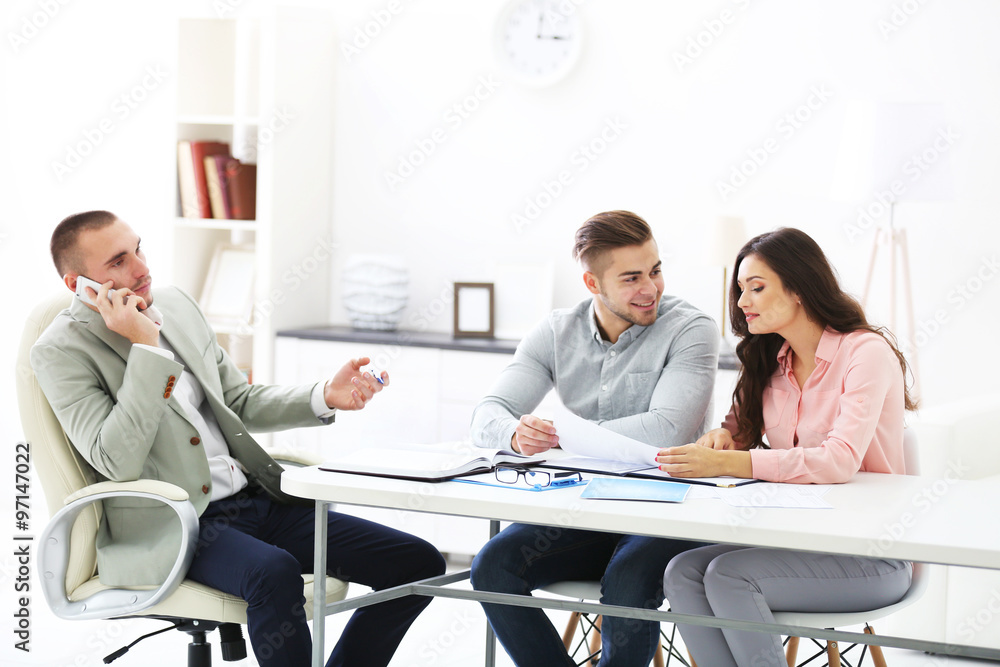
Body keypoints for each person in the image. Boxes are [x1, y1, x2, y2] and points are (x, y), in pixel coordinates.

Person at [31, 211, 446, 667]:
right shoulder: (60, 351)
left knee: (417, 564)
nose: (142, 267)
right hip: (178, 524)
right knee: (273, 572)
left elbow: (237, 400)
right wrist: (146, 349)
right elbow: (116, 460)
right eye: (118, 261)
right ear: (78, 284)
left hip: (254, 499)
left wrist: (324, 395)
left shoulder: (176, 305)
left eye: (138, 249)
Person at [469, 210, 720, 666]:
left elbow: (667, 430)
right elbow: (486, 416)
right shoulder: (556, 331)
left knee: (628, 579)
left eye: (655, 270)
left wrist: (564, 439)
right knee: (492, 566)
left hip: (670, 513)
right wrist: (516, 434)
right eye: (631, 278)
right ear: (592, 283)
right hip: (587, 509)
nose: (651, 288)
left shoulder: (691, 329)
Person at [658, 227, 917, 667]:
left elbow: (838, 461)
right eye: (741, 289)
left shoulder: (865, 353)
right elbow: (734, 435)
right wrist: (720, 441)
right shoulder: (767, 358)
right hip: (795, 540)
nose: (743, 301)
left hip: (871, 554)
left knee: (728, 576)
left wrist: (726, 460)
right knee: (681, 572)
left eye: (756, 288)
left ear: (798, 289)